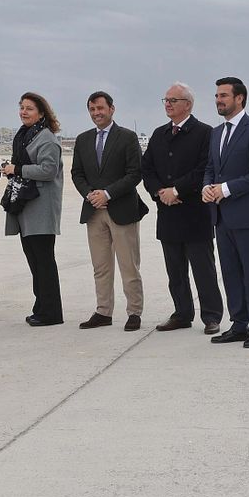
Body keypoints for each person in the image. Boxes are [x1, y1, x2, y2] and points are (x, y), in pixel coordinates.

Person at [203, 77, 249, 348]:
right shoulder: (216, 133)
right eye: (217, 96)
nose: (218, 100)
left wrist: (227, 189)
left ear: (239, 98)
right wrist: (207, 188)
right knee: (230, 272)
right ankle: (239, 325)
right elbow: (211, 167)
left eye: (223, 95)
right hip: (222, 217)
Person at [142, 83, 219, 334]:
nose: (168, 104)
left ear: (188, 104)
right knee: (175, 271)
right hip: (168, 213)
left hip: (195, 213)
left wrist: (176, 190)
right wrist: (160, 193)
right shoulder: (158, 134)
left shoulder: (205, 133)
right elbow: (148, 169)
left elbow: (204, 169)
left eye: (173, 100)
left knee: (203, 270)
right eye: (165, 99)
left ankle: (212, 316)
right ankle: (182, 313)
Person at [69, 91, 147, 331]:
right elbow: (77, 173)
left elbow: (135, 173)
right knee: (101, 266)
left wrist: (108, 194)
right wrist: (91, 194)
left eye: (100, 108)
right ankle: (103, 311)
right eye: (92, 109)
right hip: (94, 211)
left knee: (128, 265)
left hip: (122, 209)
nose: (96, 113)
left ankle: (134, 312)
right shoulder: (82, 140)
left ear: (112, 109)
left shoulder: (127, 137)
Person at [2, 92, 65, 327]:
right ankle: (41, 308)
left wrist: (17, 169)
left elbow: (48, 171)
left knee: (44, 262)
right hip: (26, 207)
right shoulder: (25, 136)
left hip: (41, 208)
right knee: (35, 263)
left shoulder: (47, 138)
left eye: (29, 108)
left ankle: (51, 313)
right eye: (22, 107)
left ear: (41, 112)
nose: (23, 112)